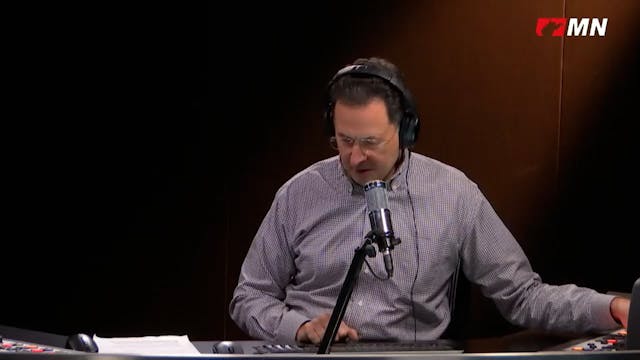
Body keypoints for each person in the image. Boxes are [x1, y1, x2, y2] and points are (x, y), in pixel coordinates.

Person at [228, 57, 630, 345]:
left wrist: (608, 308)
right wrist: (298, 328)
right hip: (314, 356)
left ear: (406, 131)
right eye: (344, 141)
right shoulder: (300, 193)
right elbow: (249, 296)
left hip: (413, 357)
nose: (354, 157)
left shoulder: (453, 194)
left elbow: (523, 295)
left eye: (370, 143)